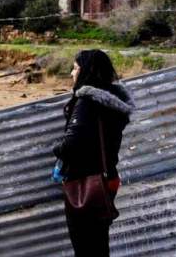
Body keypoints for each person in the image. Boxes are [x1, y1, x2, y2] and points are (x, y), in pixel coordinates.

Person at [53, 49, 135, 256]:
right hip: (107, 178)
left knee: (86, 247)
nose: (72, 73)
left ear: (86, 71)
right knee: (98, 245)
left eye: (75, 68)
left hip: (86, 183)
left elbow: (72, 144)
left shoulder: (87, 102)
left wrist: (56, 149)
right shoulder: (113, 104)